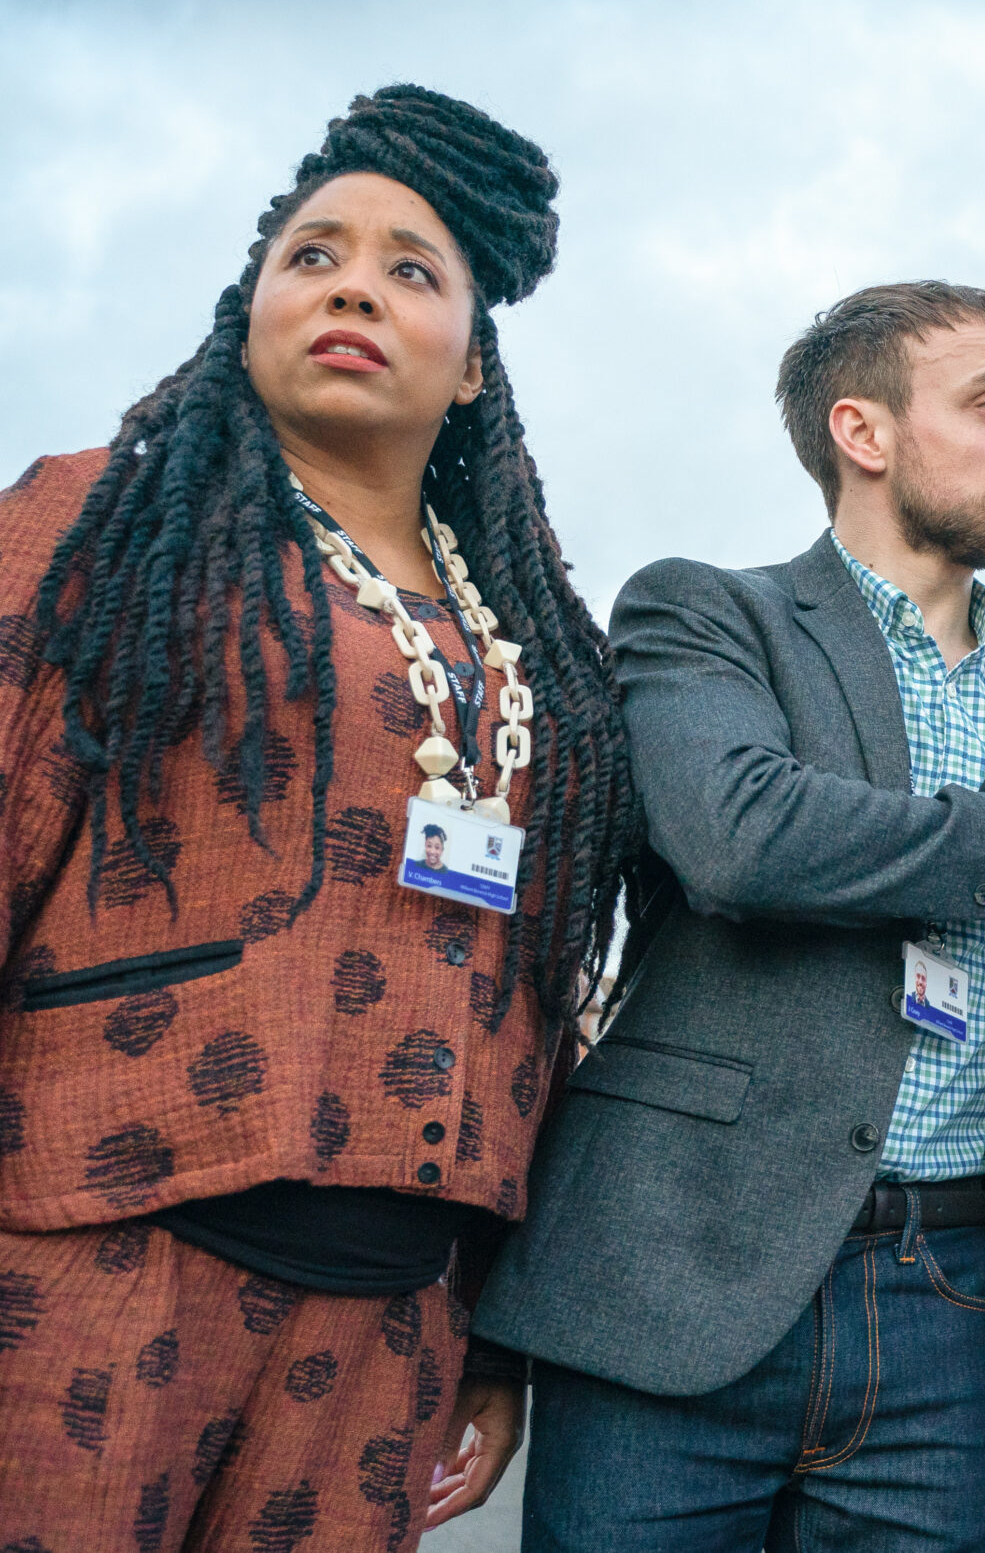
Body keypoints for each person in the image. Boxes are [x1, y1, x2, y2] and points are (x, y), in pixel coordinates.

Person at [0, 87, 638, 1550]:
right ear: (250, 312)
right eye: (314, 255)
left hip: (391, 1322)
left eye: (412, 268)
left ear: (474, 365)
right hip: (95, 1261)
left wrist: (490, 1330)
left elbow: (537, 998)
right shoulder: (90, 527)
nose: (353, 280)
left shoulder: (544, 663)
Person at [473, 281, 985, 1551]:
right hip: (678, 1286)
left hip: (949, 1311)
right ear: (864, 432)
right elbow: (741, 836)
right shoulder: (704, 614)